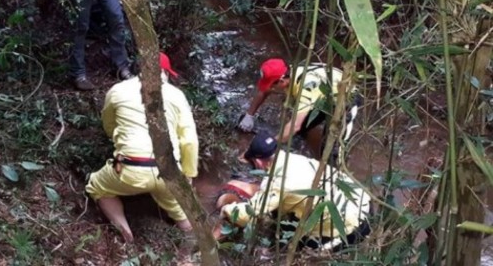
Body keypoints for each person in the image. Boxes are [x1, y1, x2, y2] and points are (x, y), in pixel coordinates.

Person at [85, 52, 199, 242]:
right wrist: (188, 176)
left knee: (97, 186)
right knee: (184, 215)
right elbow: (189, 140)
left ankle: (125, 232)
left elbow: (109, 125)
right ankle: (191, 244)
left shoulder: (117, 91)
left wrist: (119, 139)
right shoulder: (177, 95)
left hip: (130, 169)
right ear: (164, 73)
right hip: (170, 171)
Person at [218, 131, 371, 250]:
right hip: (363, 204)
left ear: (258, 162)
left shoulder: (279, 183)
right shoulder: (294, 159)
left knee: (302, 251)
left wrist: (227, 210)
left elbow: (247, 215)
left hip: (347, 228)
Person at [237, 59, 344, 155]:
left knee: (330, 149)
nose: (270, 89)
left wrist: (268, 145)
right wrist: (249, 114)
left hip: (344, 100)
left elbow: (295, 125)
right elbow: (264, 91)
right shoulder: (289, 73)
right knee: (301, 130)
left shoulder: (305, 89)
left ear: (282, 82)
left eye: (271, 85)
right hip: (323, 96)